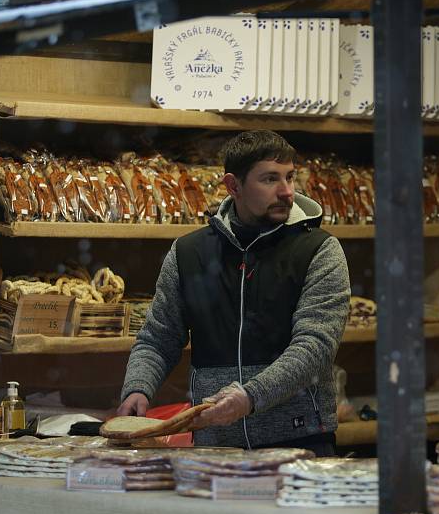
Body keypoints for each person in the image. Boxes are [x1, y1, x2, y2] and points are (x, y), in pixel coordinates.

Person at [117, 130, 350, 456]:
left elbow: (315, 348)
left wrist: (251, 397)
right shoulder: (188, 253)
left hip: (298, 442)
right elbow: (159, 337)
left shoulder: (319, 250)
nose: (286, 192)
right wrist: (138, 388)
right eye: (270, 179)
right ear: (233, 185)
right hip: (215, 444)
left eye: (290, 177)